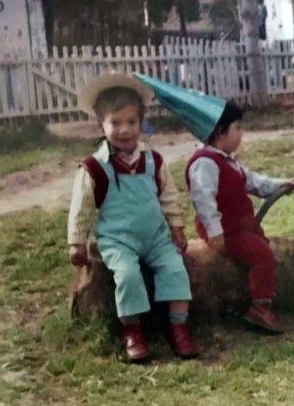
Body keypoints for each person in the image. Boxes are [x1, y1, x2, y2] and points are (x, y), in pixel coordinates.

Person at [67, 72, 198, 361]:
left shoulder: (153, 161)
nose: (124, 130)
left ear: (141, 122)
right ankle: (133, 330)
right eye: (115, 123)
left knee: (175, 269)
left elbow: (168, 195)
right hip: (118, 240)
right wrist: (77, 242)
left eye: (131, 122)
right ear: (101, 125)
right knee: (127, 275)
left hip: (154, 237)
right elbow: (82, 207)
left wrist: (176, 226)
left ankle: (179, 328)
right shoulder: (94, 167)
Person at [184, 100, 290, 333]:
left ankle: (253, 291)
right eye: (238, 128)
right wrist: (215, 232)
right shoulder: (205, 163)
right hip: (223, 229)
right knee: (262, 255)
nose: (241, 134)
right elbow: (203, 199)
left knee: (262, 247)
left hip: (238, 225)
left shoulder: (227, 160)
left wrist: (278, 186)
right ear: (221, 131)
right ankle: (259, 308)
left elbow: (252, 181)